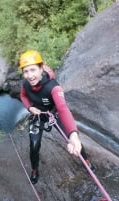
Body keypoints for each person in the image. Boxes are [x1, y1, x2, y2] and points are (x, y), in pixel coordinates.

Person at [19, 50, 94, 184]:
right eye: (26, 71)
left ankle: (86, 162)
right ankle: (34, 170)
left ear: (41, 68)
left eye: (33, 70)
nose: (30, 76)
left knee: (76, 142)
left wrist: (73, 135)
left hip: (55, 114)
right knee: (34, 145)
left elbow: (63, 108)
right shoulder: (25, 84)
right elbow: (23, 96)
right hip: (38, 115)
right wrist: (30, 108)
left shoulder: (53, 87)